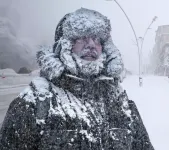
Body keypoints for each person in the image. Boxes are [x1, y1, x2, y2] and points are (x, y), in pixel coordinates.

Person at [0, 8, 154, 150]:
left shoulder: (120, 102)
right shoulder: (33, 103)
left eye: (97, 39)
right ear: (64, 46)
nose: (92, 45)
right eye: (81, 38)